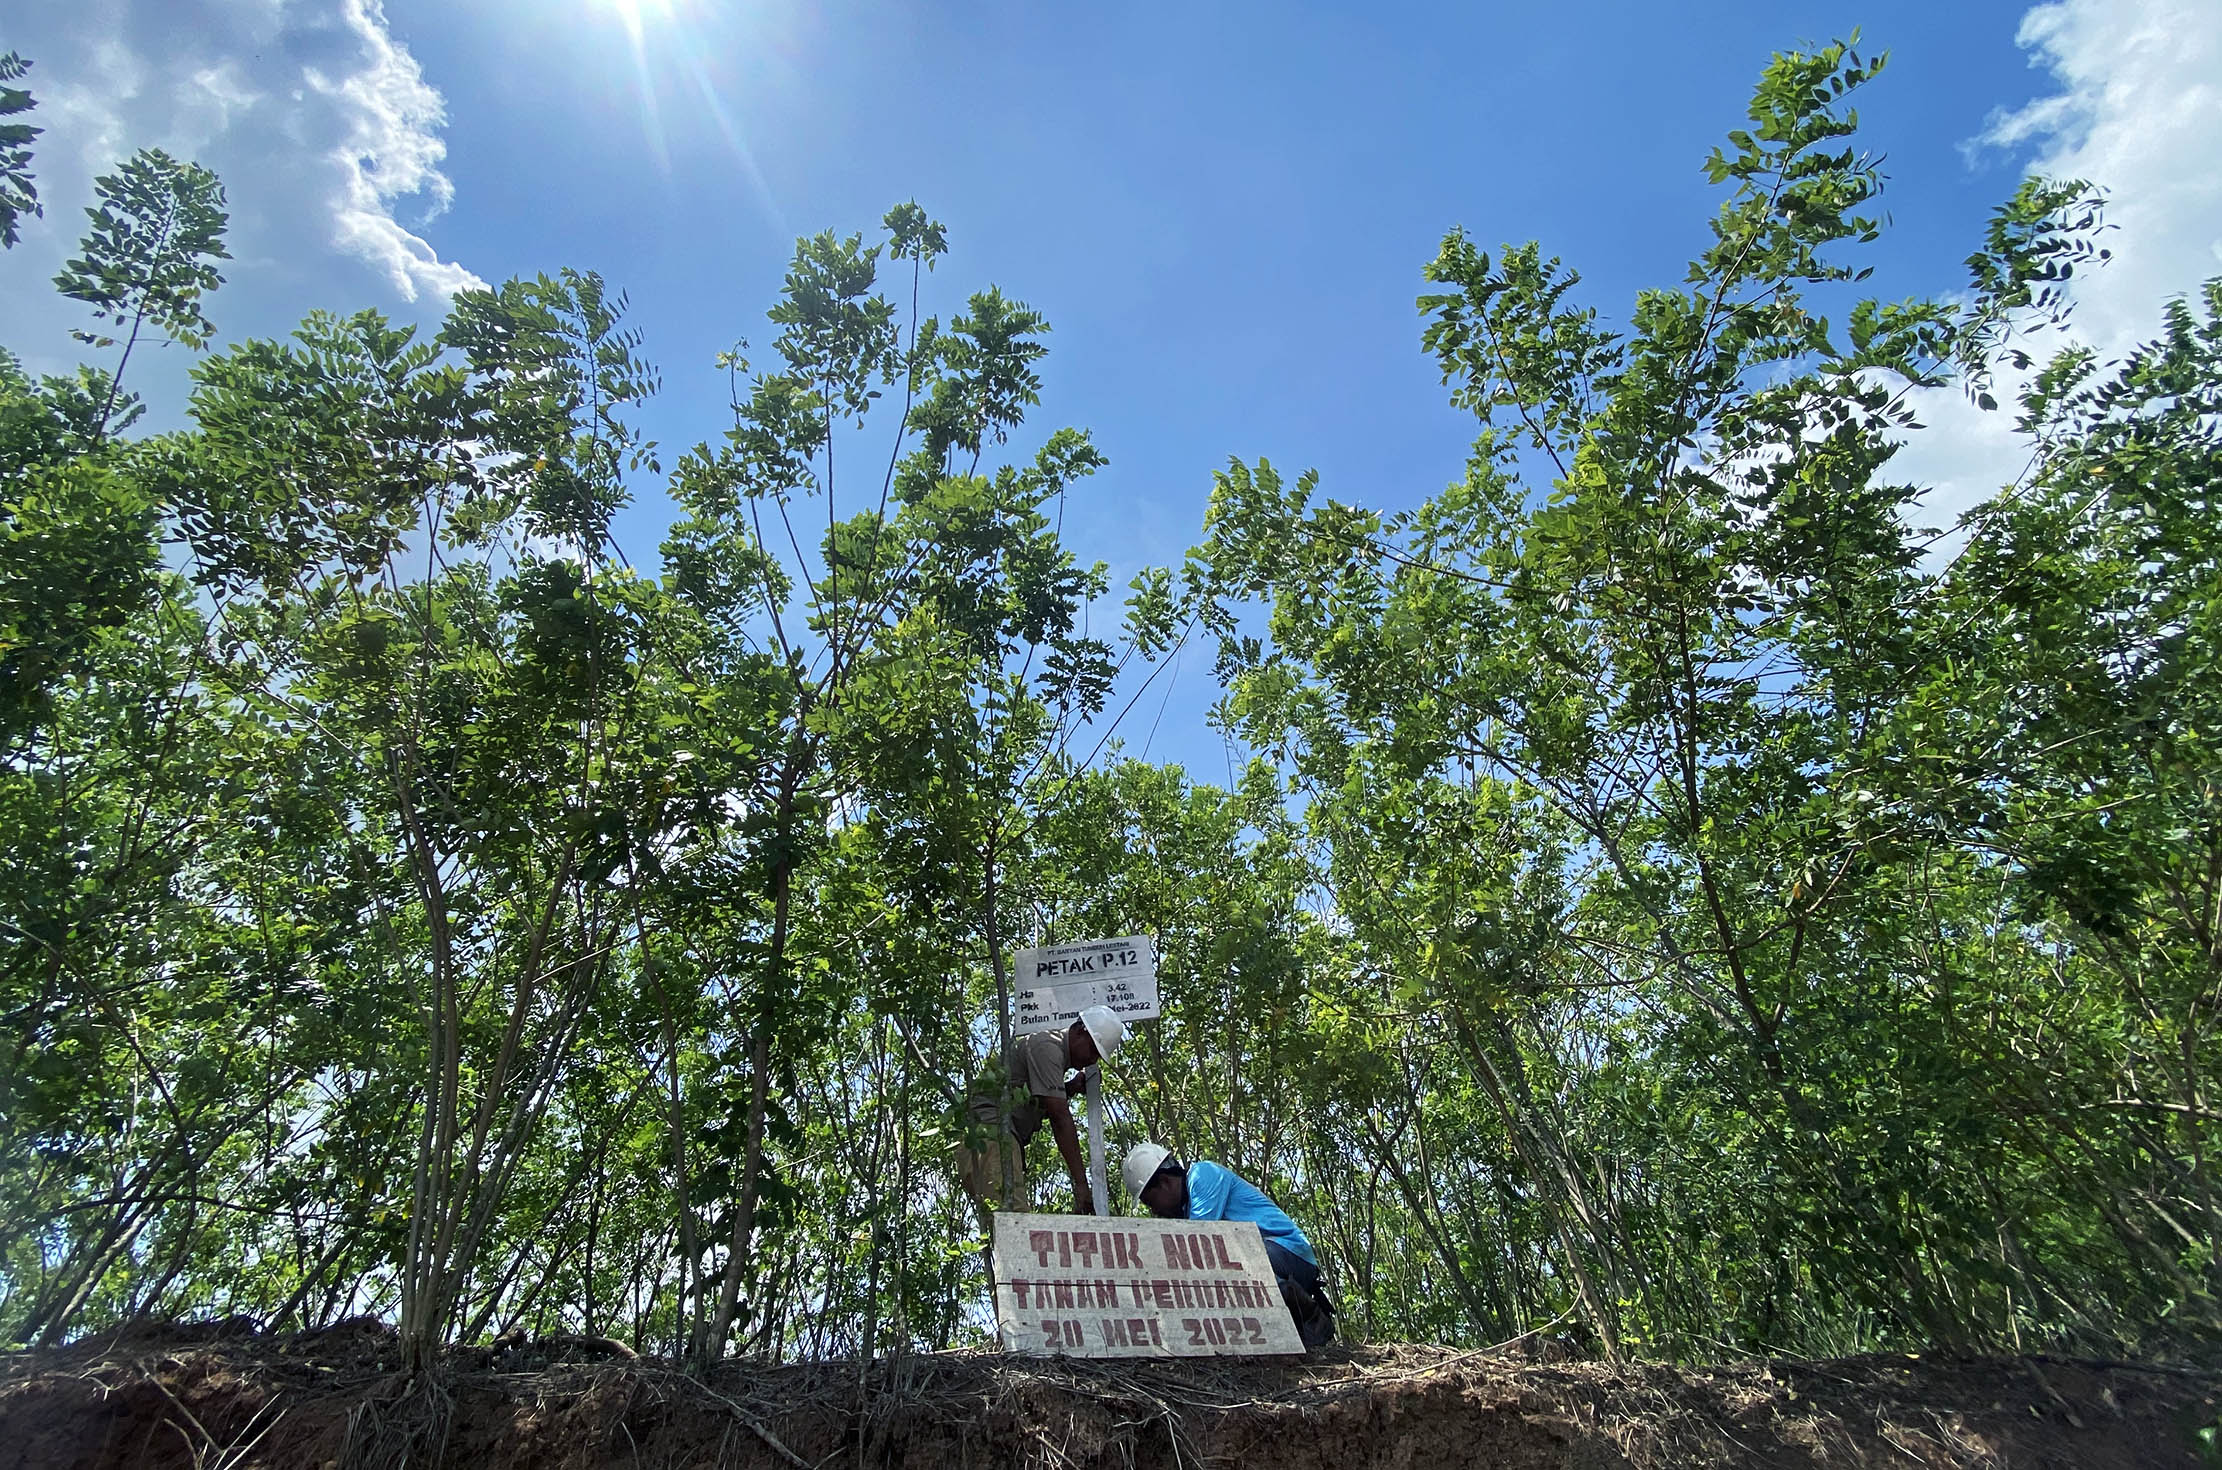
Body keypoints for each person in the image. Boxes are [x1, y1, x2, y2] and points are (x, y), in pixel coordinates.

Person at [1122, 1143, 1336, 1348]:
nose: (1154, 1211)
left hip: (1288, 1253)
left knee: (1227, 1261)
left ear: (1165, 1182)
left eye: (1151, 1203)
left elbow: (1197, 1243)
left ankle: (1312, 1319)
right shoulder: (1189, 1209)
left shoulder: (1203, 1175)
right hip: (1269, 1259)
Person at [958, 1006, 1127, 1219]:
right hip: (990, 1140)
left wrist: (1071, 1088)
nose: (1092, 1060)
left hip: (995, 1141)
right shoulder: (1047, 1046)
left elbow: (1034, 1100)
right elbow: (1059, 1117)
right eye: (1093, 1050)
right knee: (1016, 1225)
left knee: (1013, 1226)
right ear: (1080, 1032)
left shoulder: (1053, 1053)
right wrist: (1081, 1185)